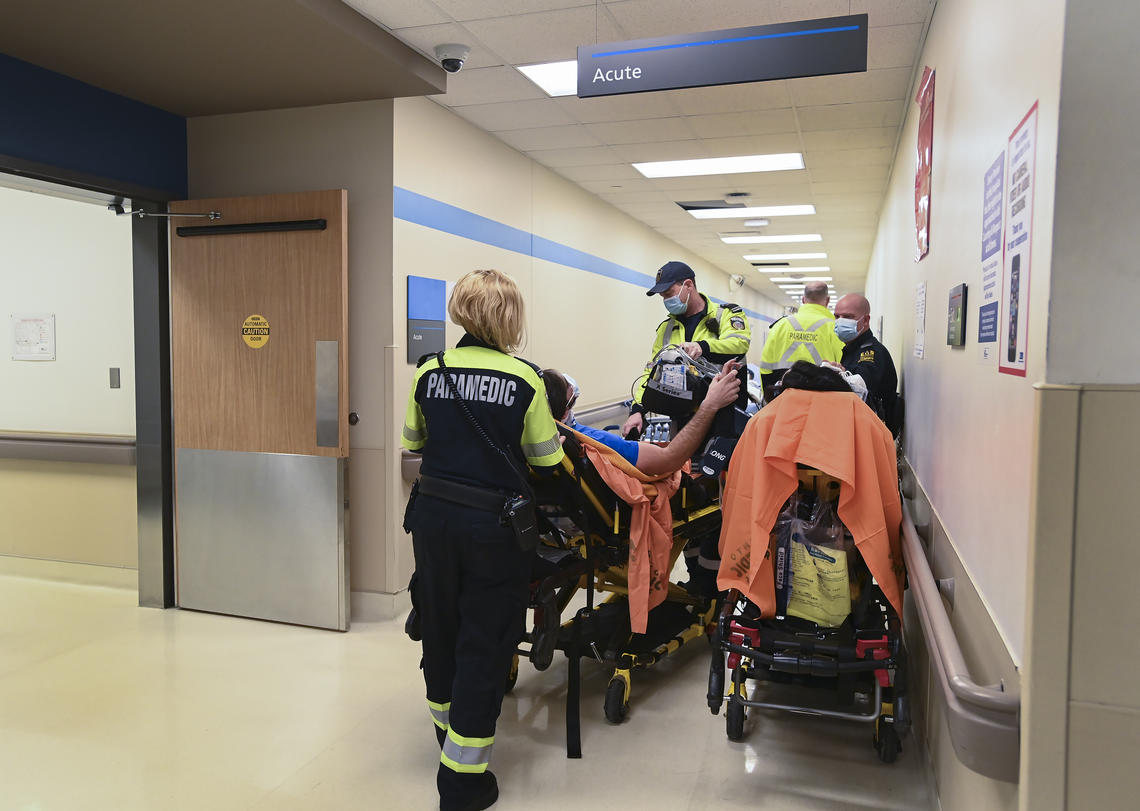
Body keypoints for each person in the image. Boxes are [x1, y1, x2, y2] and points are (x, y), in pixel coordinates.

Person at [401, 269, 564, 811]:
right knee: (485, 640)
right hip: (493, 531)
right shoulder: (525, 379)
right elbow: (545, 459)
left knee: (439, 627)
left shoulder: (430, 371)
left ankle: (446, 740)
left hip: (433, 520)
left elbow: (413, 441)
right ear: (509, 318)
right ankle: (463, 782)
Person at [543, 360, 742, 476]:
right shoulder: (596, 442)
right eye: (573, 398)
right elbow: (668, 458)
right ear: (564, 412)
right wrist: (710, 405)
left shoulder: (529, 443)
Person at [621, 261, 751, 438]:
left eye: (669, 293)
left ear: (688, 285)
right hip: (683, 417)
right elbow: (651, 372)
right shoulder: (667, 329)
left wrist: (702, 347)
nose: (666, 300)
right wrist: (637, 410)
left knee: (723, 465)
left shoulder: (726, 315)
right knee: (683, 465)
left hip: (725, 416)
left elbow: (739, 342)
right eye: (663, 297)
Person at [757, 281, 844, 401]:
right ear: (827, 300)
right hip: (822, 399)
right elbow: (843, 366)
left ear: (803, 299)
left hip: (783, 398)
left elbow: (765, 366)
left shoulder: (781, 325)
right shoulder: (834, 328)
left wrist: (768, 398)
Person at [832, 293, 898, 423]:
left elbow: (859, 386)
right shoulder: (853, 349)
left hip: (872, 428)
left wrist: (830, 375)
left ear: (866, 320)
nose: (840, 321)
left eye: (847, 317)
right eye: (837, 317)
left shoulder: (872, 351)